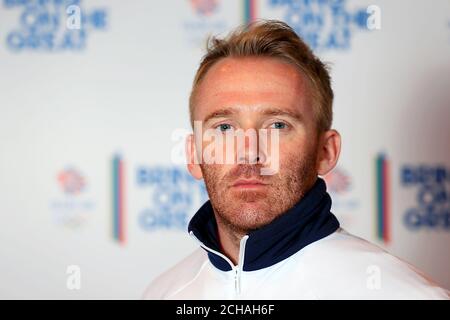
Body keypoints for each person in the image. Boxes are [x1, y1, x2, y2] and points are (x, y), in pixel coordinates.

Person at [144, 20, 449, 299]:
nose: (250, 152)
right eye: (225, 127)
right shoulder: (163, 292)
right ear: (194, 154)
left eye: (277, 125)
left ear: (325, 152)